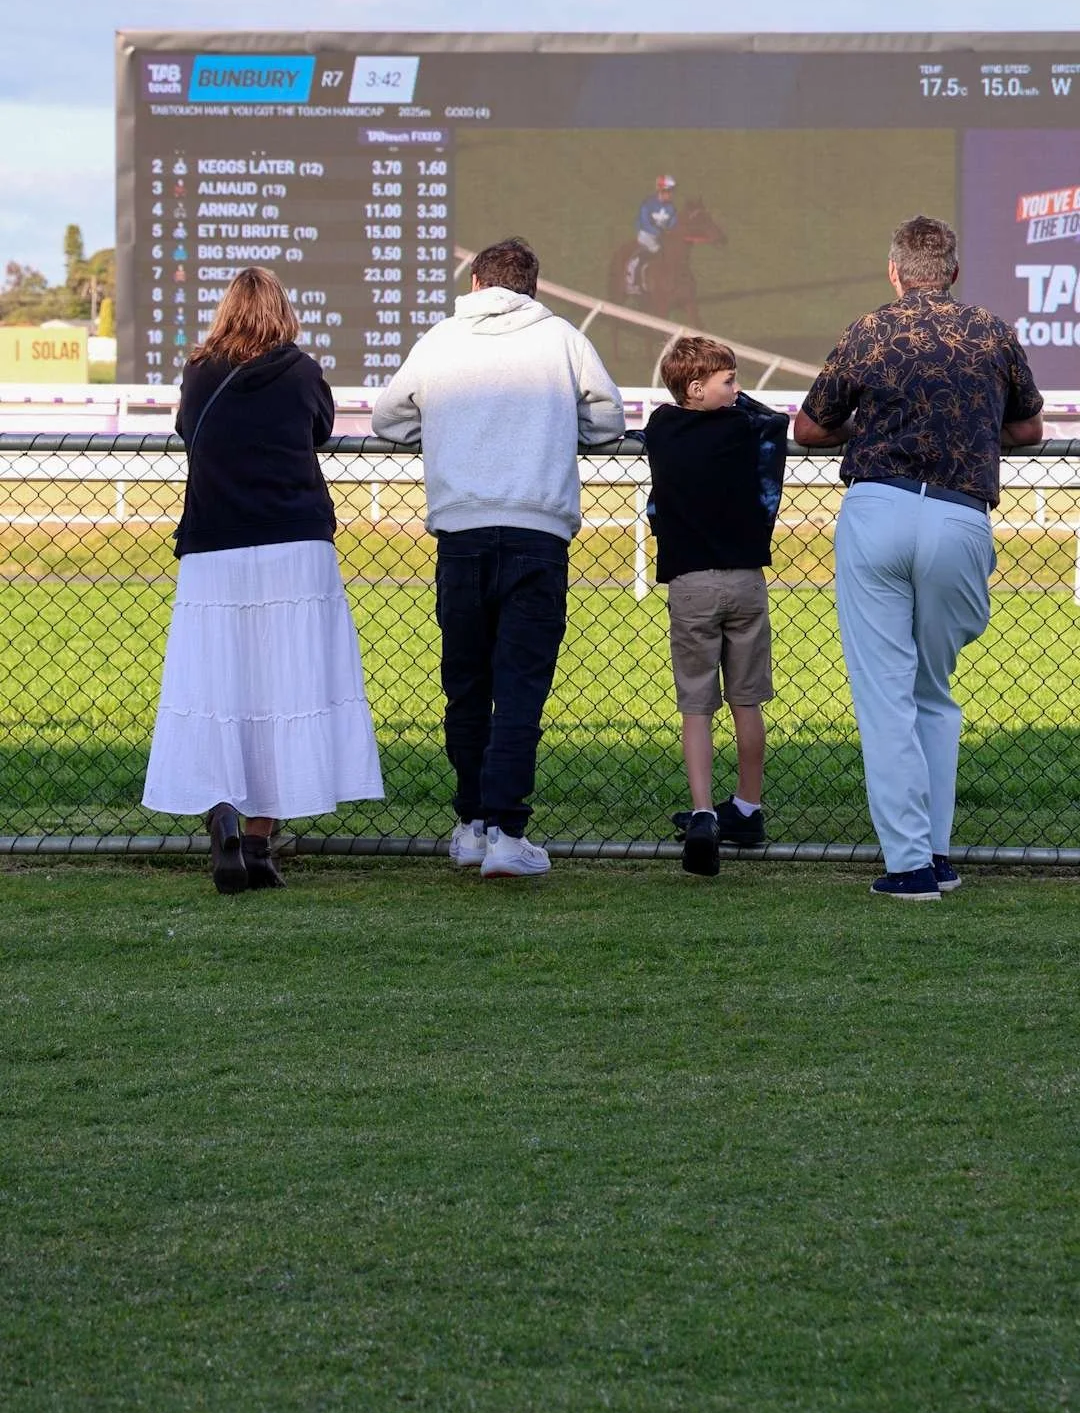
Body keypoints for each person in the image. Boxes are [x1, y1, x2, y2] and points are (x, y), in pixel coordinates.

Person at [794, 215, 1043, 902]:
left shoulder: (869, 330)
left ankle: (908, 867)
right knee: (933, 693)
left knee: (886, 698)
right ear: (953, 272)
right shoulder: (993, 331)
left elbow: (809, 427)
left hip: (879, 507)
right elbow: (1027, 427)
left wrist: (872, 425)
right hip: (961, 515)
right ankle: (935, 855)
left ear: (895, 272)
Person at [371, 236, 624, 878]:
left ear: (477, 282)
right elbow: (608, 420)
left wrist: (450, 434)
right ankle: (509, 833)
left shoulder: (440, 340)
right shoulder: (563, 338)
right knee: (519, 690)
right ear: (532, 288)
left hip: (461, 532)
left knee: (466, 685)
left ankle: (471, 825)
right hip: (538, 532)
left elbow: (389, 420)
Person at [143, 267, 383, 891]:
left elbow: (187, 431)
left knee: (217, 686)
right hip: (293, 548)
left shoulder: (199, 373)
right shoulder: (301, 372)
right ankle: (257, 843)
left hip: (214, 549)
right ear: (282, 313)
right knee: (285, 689)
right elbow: (321, 429)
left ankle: (221, 813)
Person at [643, 335, 787, 877]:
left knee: (696, 704)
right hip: (746, 580)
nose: (739, 389)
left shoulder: (661, 426)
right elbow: (772, 421)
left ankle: (704, 811)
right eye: (730, 380)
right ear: (699, 386)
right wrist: (739, 403)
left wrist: (706, 390)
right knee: (747, 699)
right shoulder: (746, 430)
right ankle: (747, 804)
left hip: (690, 583)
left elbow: (677, 408)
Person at [626, 174, 678, 297]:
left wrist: (670, 230)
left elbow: (673, 222)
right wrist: (659, 232)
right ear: (660, 190)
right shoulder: (648, 204)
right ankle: (631, 282)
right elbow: (644, 222)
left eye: (671, 191)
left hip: (662, 237)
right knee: (656, 250)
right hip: (646, 235)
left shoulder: (671, 207)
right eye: (668, 191)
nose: (670, 194)